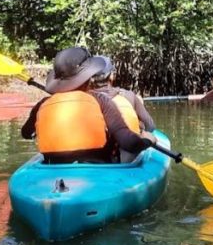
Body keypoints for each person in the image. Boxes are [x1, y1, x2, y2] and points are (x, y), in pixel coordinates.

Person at [21, 46, 156, 164]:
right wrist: (147, 140)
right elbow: (129, 142)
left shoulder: (43, 104)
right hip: (96, 171)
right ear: (88, 77)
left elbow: (26, 133)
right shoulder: (101, 101)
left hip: (53, 169)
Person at [88, 59, 156, 162]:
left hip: (95, 158)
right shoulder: (128, 96)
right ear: (111, 76)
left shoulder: (85, 99)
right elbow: (150, 126)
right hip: (127, 157)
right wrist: (142, 131)